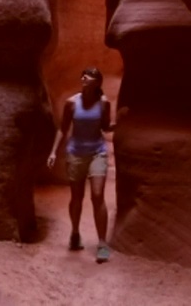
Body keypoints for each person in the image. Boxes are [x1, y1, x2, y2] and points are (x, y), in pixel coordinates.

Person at [46, 67, 129, 263]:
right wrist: (53, 151)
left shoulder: (103, 103)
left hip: (97, 152)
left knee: (97, 195)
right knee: (77, 196)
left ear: (97, 82)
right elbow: (63, 128)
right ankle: (75, 233)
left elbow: (105, 127)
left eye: (89, 75)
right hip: (75, 153)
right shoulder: (72, 103)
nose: (84, 77)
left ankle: (102, 243)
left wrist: (121, 121)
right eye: (82, 74)